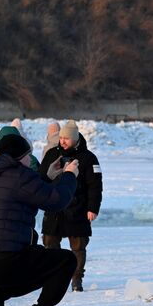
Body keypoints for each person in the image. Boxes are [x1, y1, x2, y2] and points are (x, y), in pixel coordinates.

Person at [0, 134, 79, 306]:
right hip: (8, 259)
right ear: (18, 157)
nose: (31, 159)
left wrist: (47, 177)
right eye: (28, 155)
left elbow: (25, 193)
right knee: (65, 261)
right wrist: (69, 176)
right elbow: (57, 201)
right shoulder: (18, 175)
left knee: (32, 267)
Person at [39, 120, 103, 292]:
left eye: (67, 138)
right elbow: (41, 179)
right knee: (49, 245)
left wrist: (93, 208)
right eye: (61, 138)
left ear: (75, 139)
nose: (63, 141)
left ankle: (76, 279)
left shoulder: (89, 158)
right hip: (54, 209)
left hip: (78, 210)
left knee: (78, 247)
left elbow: (95, 186)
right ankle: (54, 277)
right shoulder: (52, 154)